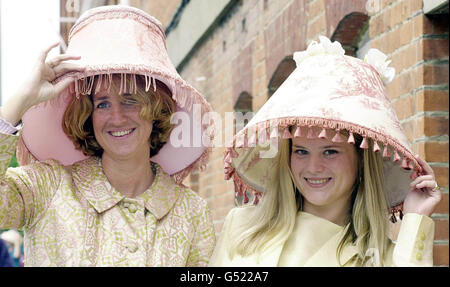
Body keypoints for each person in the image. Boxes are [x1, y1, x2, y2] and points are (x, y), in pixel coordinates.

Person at [0, 5, 215, 266]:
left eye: (130, 100)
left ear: (156, 108)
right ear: (88, 115)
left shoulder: (191, 211)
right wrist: (20, 100)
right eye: (102, 103)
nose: (116, 117)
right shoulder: (48, 186)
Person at [211, 36, 441, 267]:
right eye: (301, 151)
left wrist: (415, 220)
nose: (313, 167)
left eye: (330, 152)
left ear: (361, 159)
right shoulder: (241, 228)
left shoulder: (382, 259)